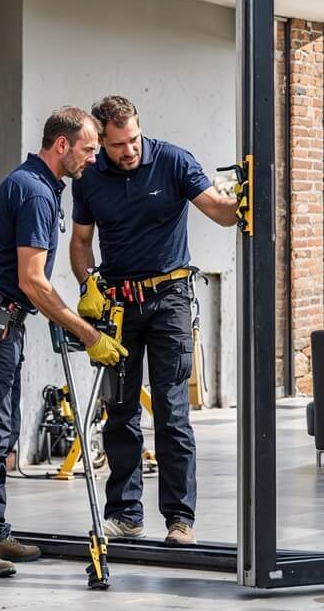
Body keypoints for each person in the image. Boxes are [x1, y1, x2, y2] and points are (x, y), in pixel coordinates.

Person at [0, 107, 126, 578]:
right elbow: (32, 280)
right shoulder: (34, 191)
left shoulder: (41, 187)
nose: (93, 158)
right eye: (88, 148)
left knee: (2, 430)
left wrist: (82, 296)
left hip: (3, 322)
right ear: (61, 145)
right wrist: (87, 334)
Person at [69, 96, 239, 546]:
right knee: (120, 413)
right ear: (101, 141)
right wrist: (88, 286)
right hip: (119, 306)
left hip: (170, 299)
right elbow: (82, 242)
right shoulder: (88, 180)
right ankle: (125, 515)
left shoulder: (173, 161)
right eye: (119, 144)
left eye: (135, 139)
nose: (130, 150)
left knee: (171, 410)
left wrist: (242, 200)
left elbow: (218, 212)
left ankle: (180, 520)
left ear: (141, 128)